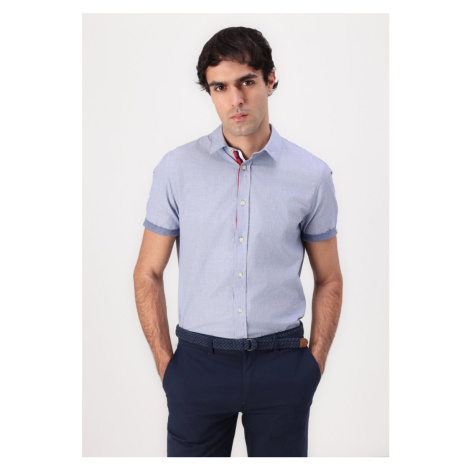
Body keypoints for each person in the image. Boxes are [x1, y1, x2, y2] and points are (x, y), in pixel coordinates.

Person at [133, 26, 343, 457]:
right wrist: (167, 367)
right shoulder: (176, 169)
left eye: (247, 81)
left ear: (270, 80)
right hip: (198, 367)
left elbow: (330, 279)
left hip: (282, 367)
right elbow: (147, 272)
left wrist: (314, 365)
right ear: (210, 92)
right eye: (220, 87)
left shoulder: (311, 175)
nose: (236, 100)